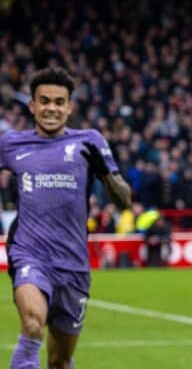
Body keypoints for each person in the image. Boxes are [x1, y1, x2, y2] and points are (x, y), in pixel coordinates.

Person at [3, 67, 132, 369]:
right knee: (33, 324)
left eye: (59, 102)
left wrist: (104, 173)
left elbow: (124, 199)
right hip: (30, 253)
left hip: (74, 263)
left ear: (69, 107)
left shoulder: (90, 141)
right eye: (44, 101)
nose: (51, 108)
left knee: (60, 360)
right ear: (32, 106)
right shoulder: (11, 144)